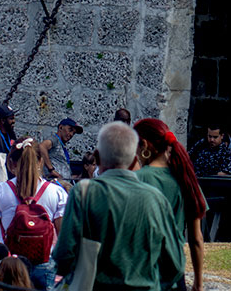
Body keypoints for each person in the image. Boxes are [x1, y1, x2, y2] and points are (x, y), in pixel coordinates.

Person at [53, 122, 181, 291]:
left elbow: (64, 254)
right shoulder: (156, 198)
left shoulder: (83, 193)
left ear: (97, 157)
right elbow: (174, 264)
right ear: (135, 159)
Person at [0, 139, 68, 290]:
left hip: (8, 263)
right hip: (44, 262)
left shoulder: (1, 190)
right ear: (40, 161)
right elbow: (64, 235)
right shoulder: (56, 192)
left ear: (12, 163)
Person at [135, 119, 207, 291]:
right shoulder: (186, 179)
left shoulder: (140, 179)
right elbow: (196, 238)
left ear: (144, 145)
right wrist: (198, 282)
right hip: (175, 270)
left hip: (144, 271)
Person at [39, 118, 82, 189]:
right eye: (70, 130)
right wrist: (51, 170)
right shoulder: (54, 139)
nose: (71, 134)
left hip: (62, 185)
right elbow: (42, 146)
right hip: (54, 185)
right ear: (60, 127)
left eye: (73, 133)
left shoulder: (61, 145)